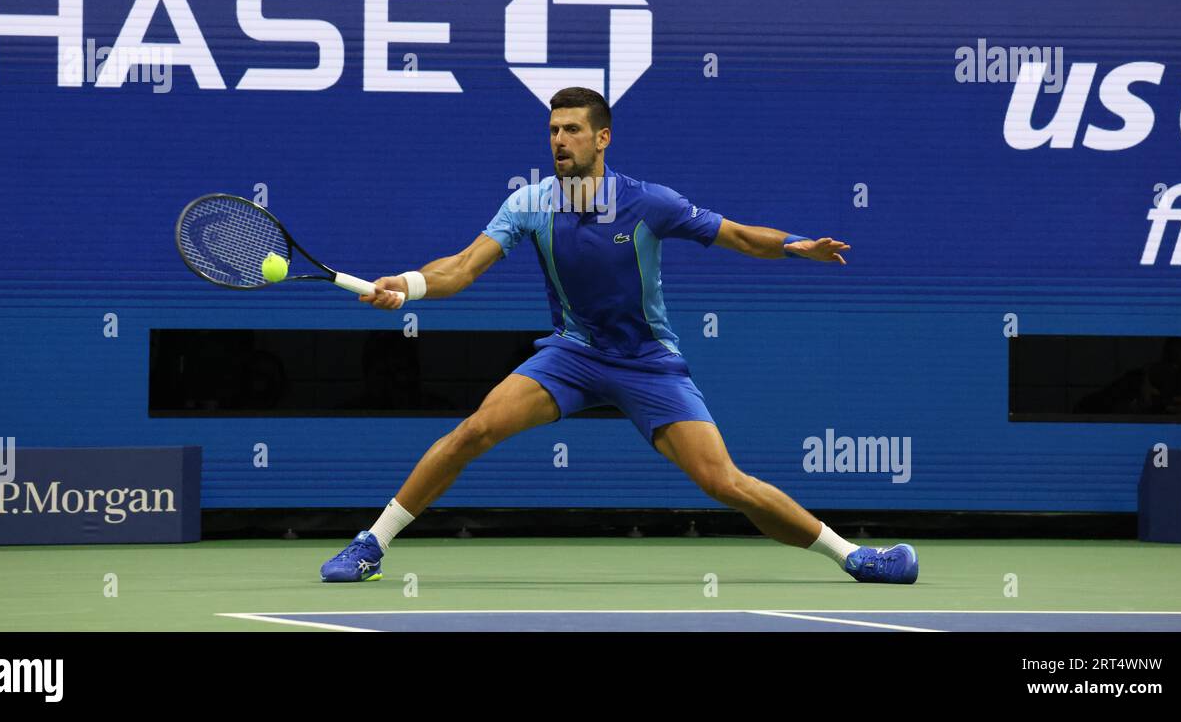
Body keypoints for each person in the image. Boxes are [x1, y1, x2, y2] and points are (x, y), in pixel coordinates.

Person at [320, 86, 918, 585]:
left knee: (723, 481)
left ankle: (856, 556)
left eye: (573, 130)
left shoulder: (648, 203)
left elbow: (734, 234)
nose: (559, 140)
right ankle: (372, 544)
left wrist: (795, 246)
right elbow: (464, 266)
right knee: (475, 429)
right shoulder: (530, 203)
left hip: (648, 364)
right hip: (572, 355)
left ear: (601, 138)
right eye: (553, 130)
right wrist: (406, 284)